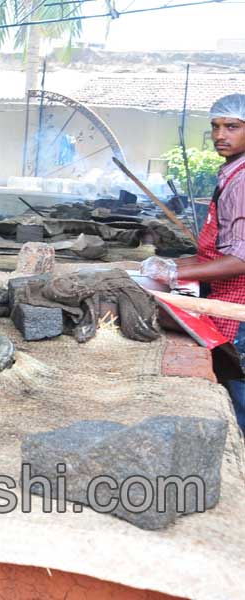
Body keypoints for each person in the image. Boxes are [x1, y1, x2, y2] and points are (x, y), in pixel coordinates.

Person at [141, 93, 245, 429]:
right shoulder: (232, 171)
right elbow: (217, 250)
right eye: (215, 126)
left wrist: (173, 271)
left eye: (232, 127)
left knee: (239, 388)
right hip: (225, 295)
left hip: (239, 304)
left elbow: (241, 258)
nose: (220, 135)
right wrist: (176, 266)